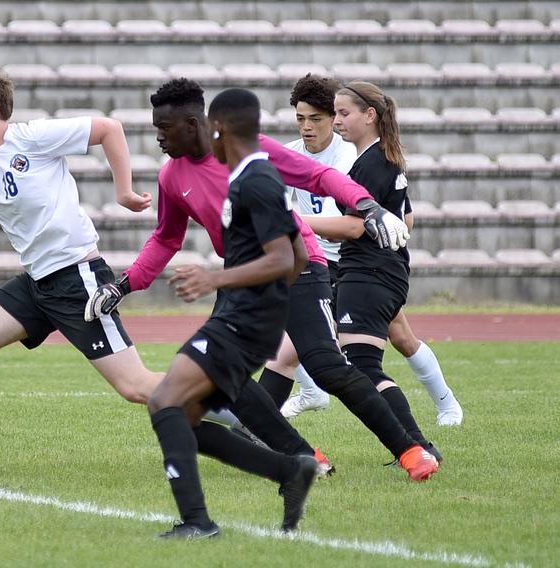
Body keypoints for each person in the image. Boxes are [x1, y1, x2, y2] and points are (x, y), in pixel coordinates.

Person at [0, 65, 314, 477]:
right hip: (37, 281)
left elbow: (109, 129)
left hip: (77, 279)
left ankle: (256, 422)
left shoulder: (31, 137)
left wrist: (123, 191)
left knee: (139, 387)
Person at [86, 78, 438, 481]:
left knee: (326, 367)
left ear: (192, 123)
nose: (158, 138)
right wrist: (123, 284)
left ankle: (412, 451)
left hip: (297, 264)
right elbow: (166, 239)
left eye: (163, 129)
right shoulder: (171, 176)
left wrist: (366, 205)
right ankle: (306, 457)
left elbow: (318, 178)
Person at [146, 87, 317, 539]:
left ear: (215, 127)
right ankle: (288, 470)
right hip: (248, 315)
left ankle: (197, 523)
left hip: (243, 317)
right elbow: (297, 250)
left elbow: (283, 258)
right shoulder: (250, 177)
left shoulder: (255, 180)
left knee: (164, 401)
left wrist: (217, 280)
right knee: (183, 418)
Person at [277, 75, 463, 427]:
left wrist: (292, 221)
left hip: (363, 265)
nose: (308, 126)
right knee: (293, 337)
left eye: (317, 118)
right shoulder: (290, 156)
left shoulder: (355, 157)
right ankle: (310, 396)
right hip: (333, 263)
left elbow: (398, 218)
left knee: (389, 344)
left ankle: (438, 413)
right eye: (300, 119)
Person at [301, 80, 441, 461]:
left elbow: (354, 226)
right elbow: (406, 218)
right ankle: (416, 446)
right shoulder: (383, 157)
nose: (338, 121)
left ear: (370, 115)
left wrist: (294, 220)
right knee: (361, 365)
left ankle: (416, 446)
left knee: (362, 368)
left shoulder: (372, 163)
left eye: (344, 113)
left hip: (368, 275)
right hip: (382, 272)